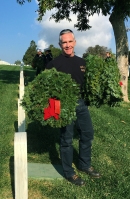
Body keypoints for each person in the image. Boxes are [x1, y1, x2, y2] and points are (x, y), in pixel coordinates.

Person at [46, 29, 100, 186]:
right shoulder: (53, 64)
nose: (67, 45)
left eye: (70, 41)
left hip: (81, 104)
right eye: (64, 42)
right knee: (66, 139)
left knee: (87, 134)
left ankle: (84, 164)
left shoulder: (82, 63)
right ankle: (69, 172)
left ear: (75, 42)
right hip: (64, 106)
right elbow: (45, 87)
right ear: (60, 44)